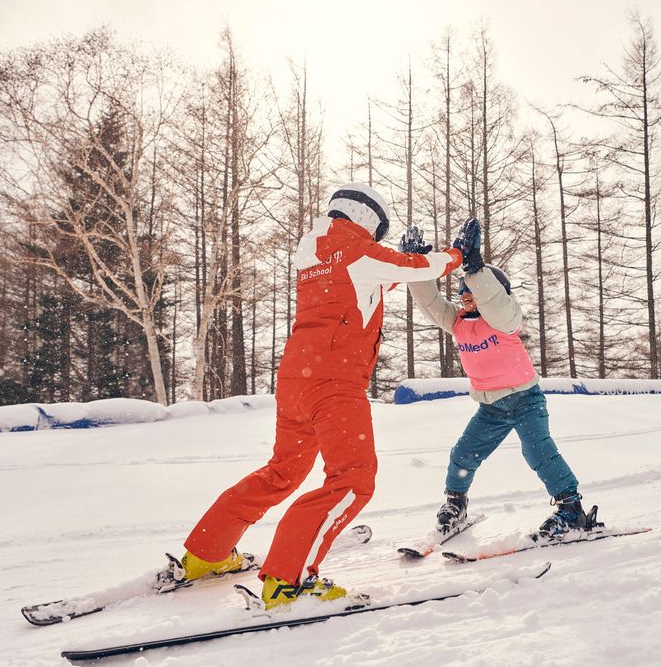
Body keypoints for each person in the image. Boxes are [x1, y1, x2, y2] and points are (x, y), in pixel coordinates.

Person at [169, 183, 463, 611]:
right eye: (378, 230)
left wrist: (400, 264)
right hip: (335, 384)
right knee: (353, 480)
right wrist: (454, 253)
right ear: (368, 219)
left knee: (282, 472)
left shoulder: (313, 249)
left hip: (295, 380)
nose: (377, 238)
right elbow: (419, 266)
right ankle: (289, 581)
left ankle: (205, 555)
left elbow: (363, 282)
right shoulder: (358, 251)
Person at [399, 220, 599, 539]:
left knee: (538, 452)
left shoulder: (505, 321)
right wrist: (417, 267)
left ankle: (571, 509)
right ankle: (455, 504)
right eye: (462, 292)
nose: (465, 296)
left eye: (471, 291)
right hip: (491, 408)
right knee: (463, 454)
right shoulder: (458, 322)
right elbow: (430, 303)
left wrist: (473, 268)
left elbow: (494, 302)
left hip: (525, 401)